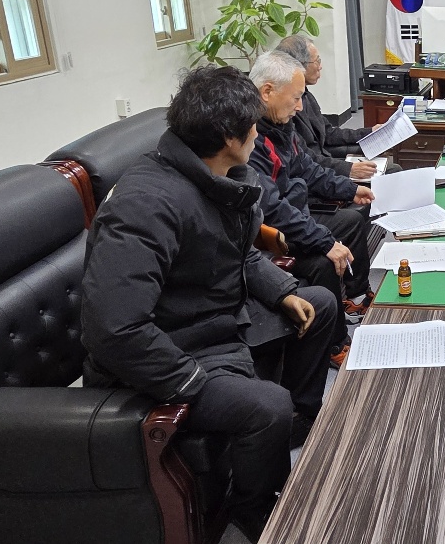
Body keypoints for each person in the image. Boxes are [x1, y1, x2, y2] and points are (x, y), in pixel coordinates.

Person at [78, 66, 344, 540]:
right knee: (267, 403)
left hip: (217, 320)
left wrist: (282, 292)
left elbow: (240, 255)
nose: (259, 134)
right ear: (227, 137)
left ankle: (299, 423)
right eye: (253, 126)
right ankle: (253, 511)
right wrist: (191, 381)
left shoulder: (218, 175)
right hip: (174, 352)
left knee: (319, 303)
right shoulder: (146, 204)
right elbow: (115, 330)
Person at [248, 51, 377, 326]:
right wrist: (325, 241)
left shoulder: (280, 125)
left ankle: (355, 296)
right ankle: (336, 340)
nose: (299, 107)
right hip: (273, 230)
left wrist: (349, 189)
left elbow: (307, 168)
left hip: (294, 209)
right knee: (323, 260)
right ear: (267, 92)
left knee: (351, 220)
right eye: (295, 98)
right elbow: (271, 208)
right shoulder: (251, 138)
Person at [274, 35, 390, 180]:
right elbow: (305, 159)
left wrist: (369, 132)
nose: (320, 66)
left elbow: (328, 133)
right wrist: (348, 169)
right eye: (317, 61)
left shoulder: (306, 95)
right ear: (298, 66)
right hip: (316, 172)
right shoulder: (284, 110)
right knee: (389, 170)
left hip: (324, 159)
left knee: (380, 151)